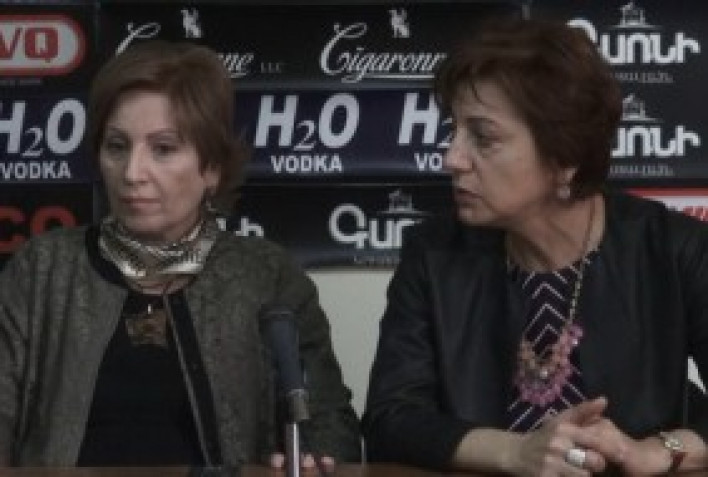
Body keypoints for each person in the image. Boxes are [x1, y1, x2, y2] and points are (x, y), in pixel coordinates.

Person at [362, 17, 708, 475]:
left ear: (565, 156)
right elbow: (390, 419)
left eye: (483, 138)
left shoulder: (674, 249)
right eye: (454, 131)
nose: (452, 158)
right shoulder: (433, 254)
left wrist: (653, 451)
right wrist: (513, 452)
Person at [0, 40, 360, 468]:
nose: (132, 173)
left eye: (163, 148)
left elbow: (331, 429)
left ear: (212, 169)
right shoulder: (42, 270)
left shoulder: (268, 277)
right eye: (117, 146)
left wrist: (313, 460)